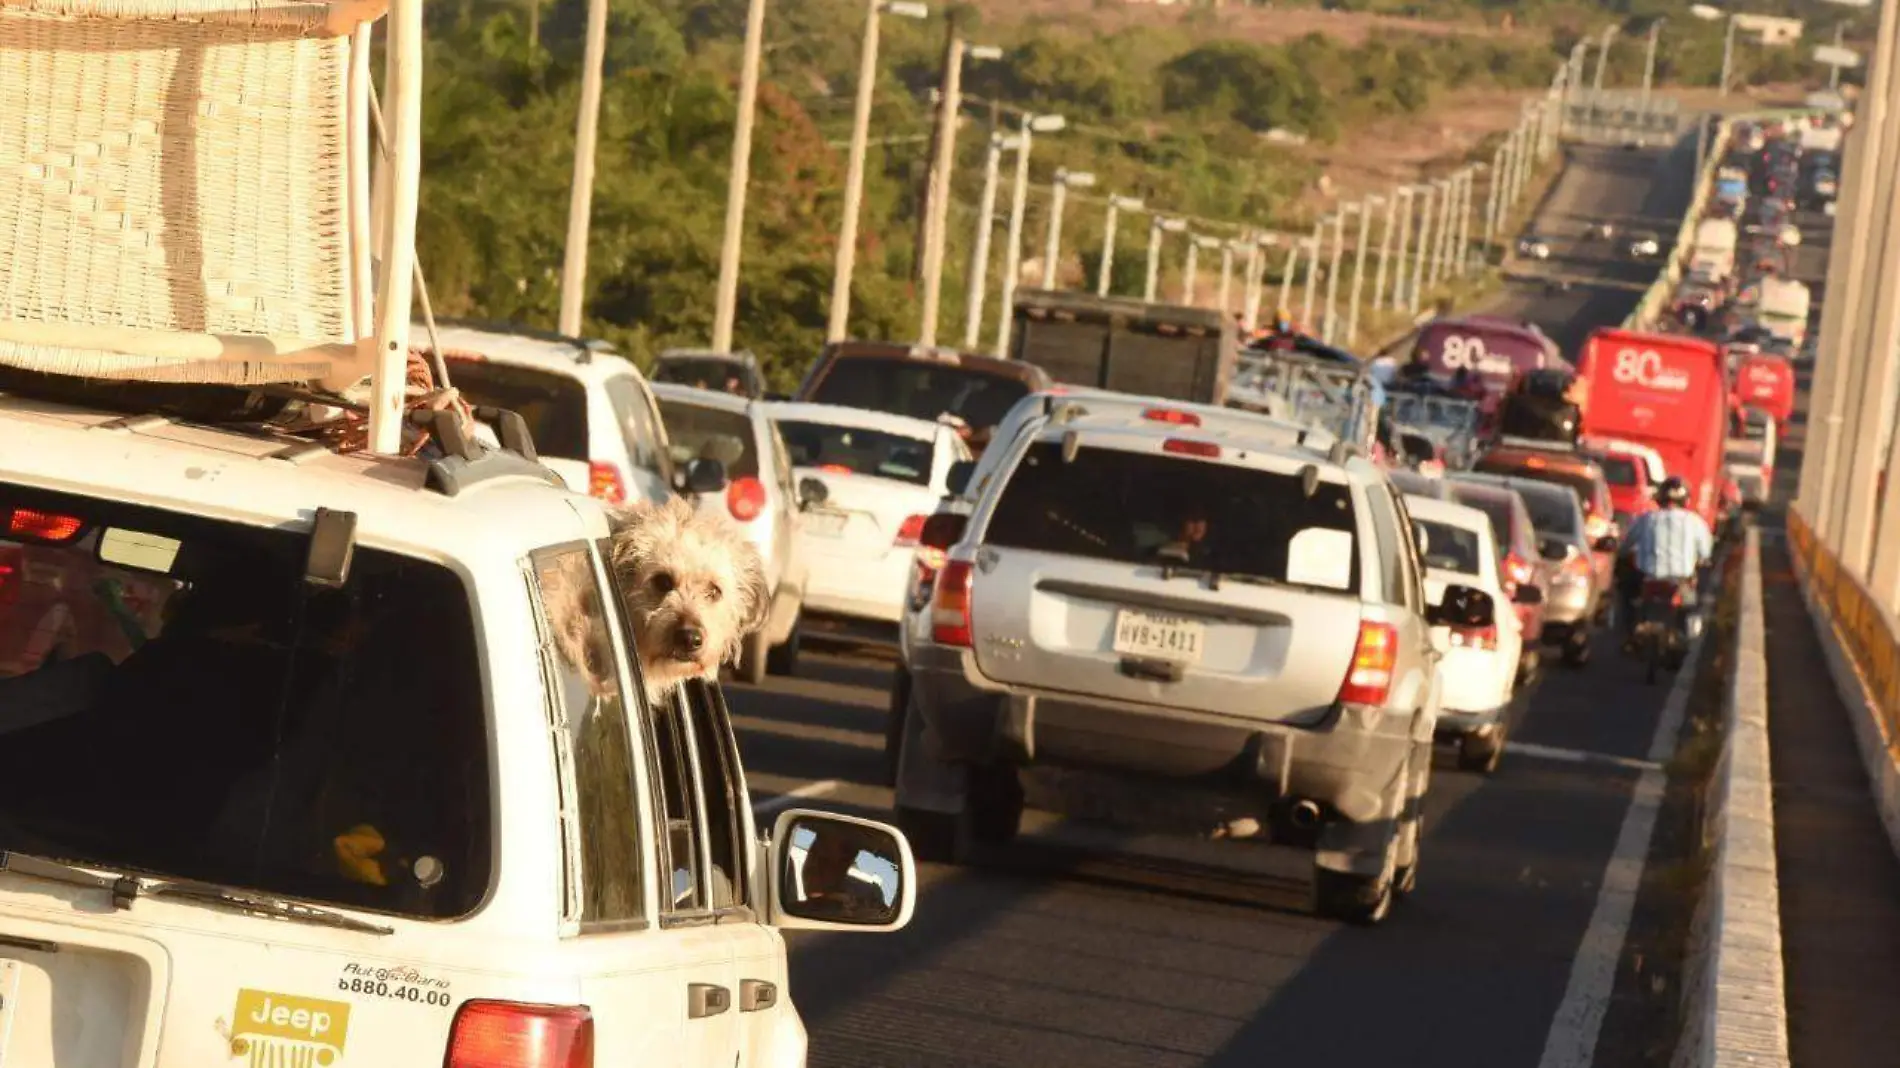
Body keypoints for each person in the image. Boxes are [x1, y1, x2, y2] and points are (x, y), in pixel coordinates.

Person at [1618, 477, 1713, 645]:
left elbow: (1626, 545)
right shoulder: (1696, 522)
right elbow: (1706, 553)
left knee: (1626, 594)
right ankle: (1687, 636)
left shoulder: (1646, 519)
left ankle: (1628, 633)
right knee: (1693, 606)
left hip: (1648, 578)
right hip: (1681, 581)